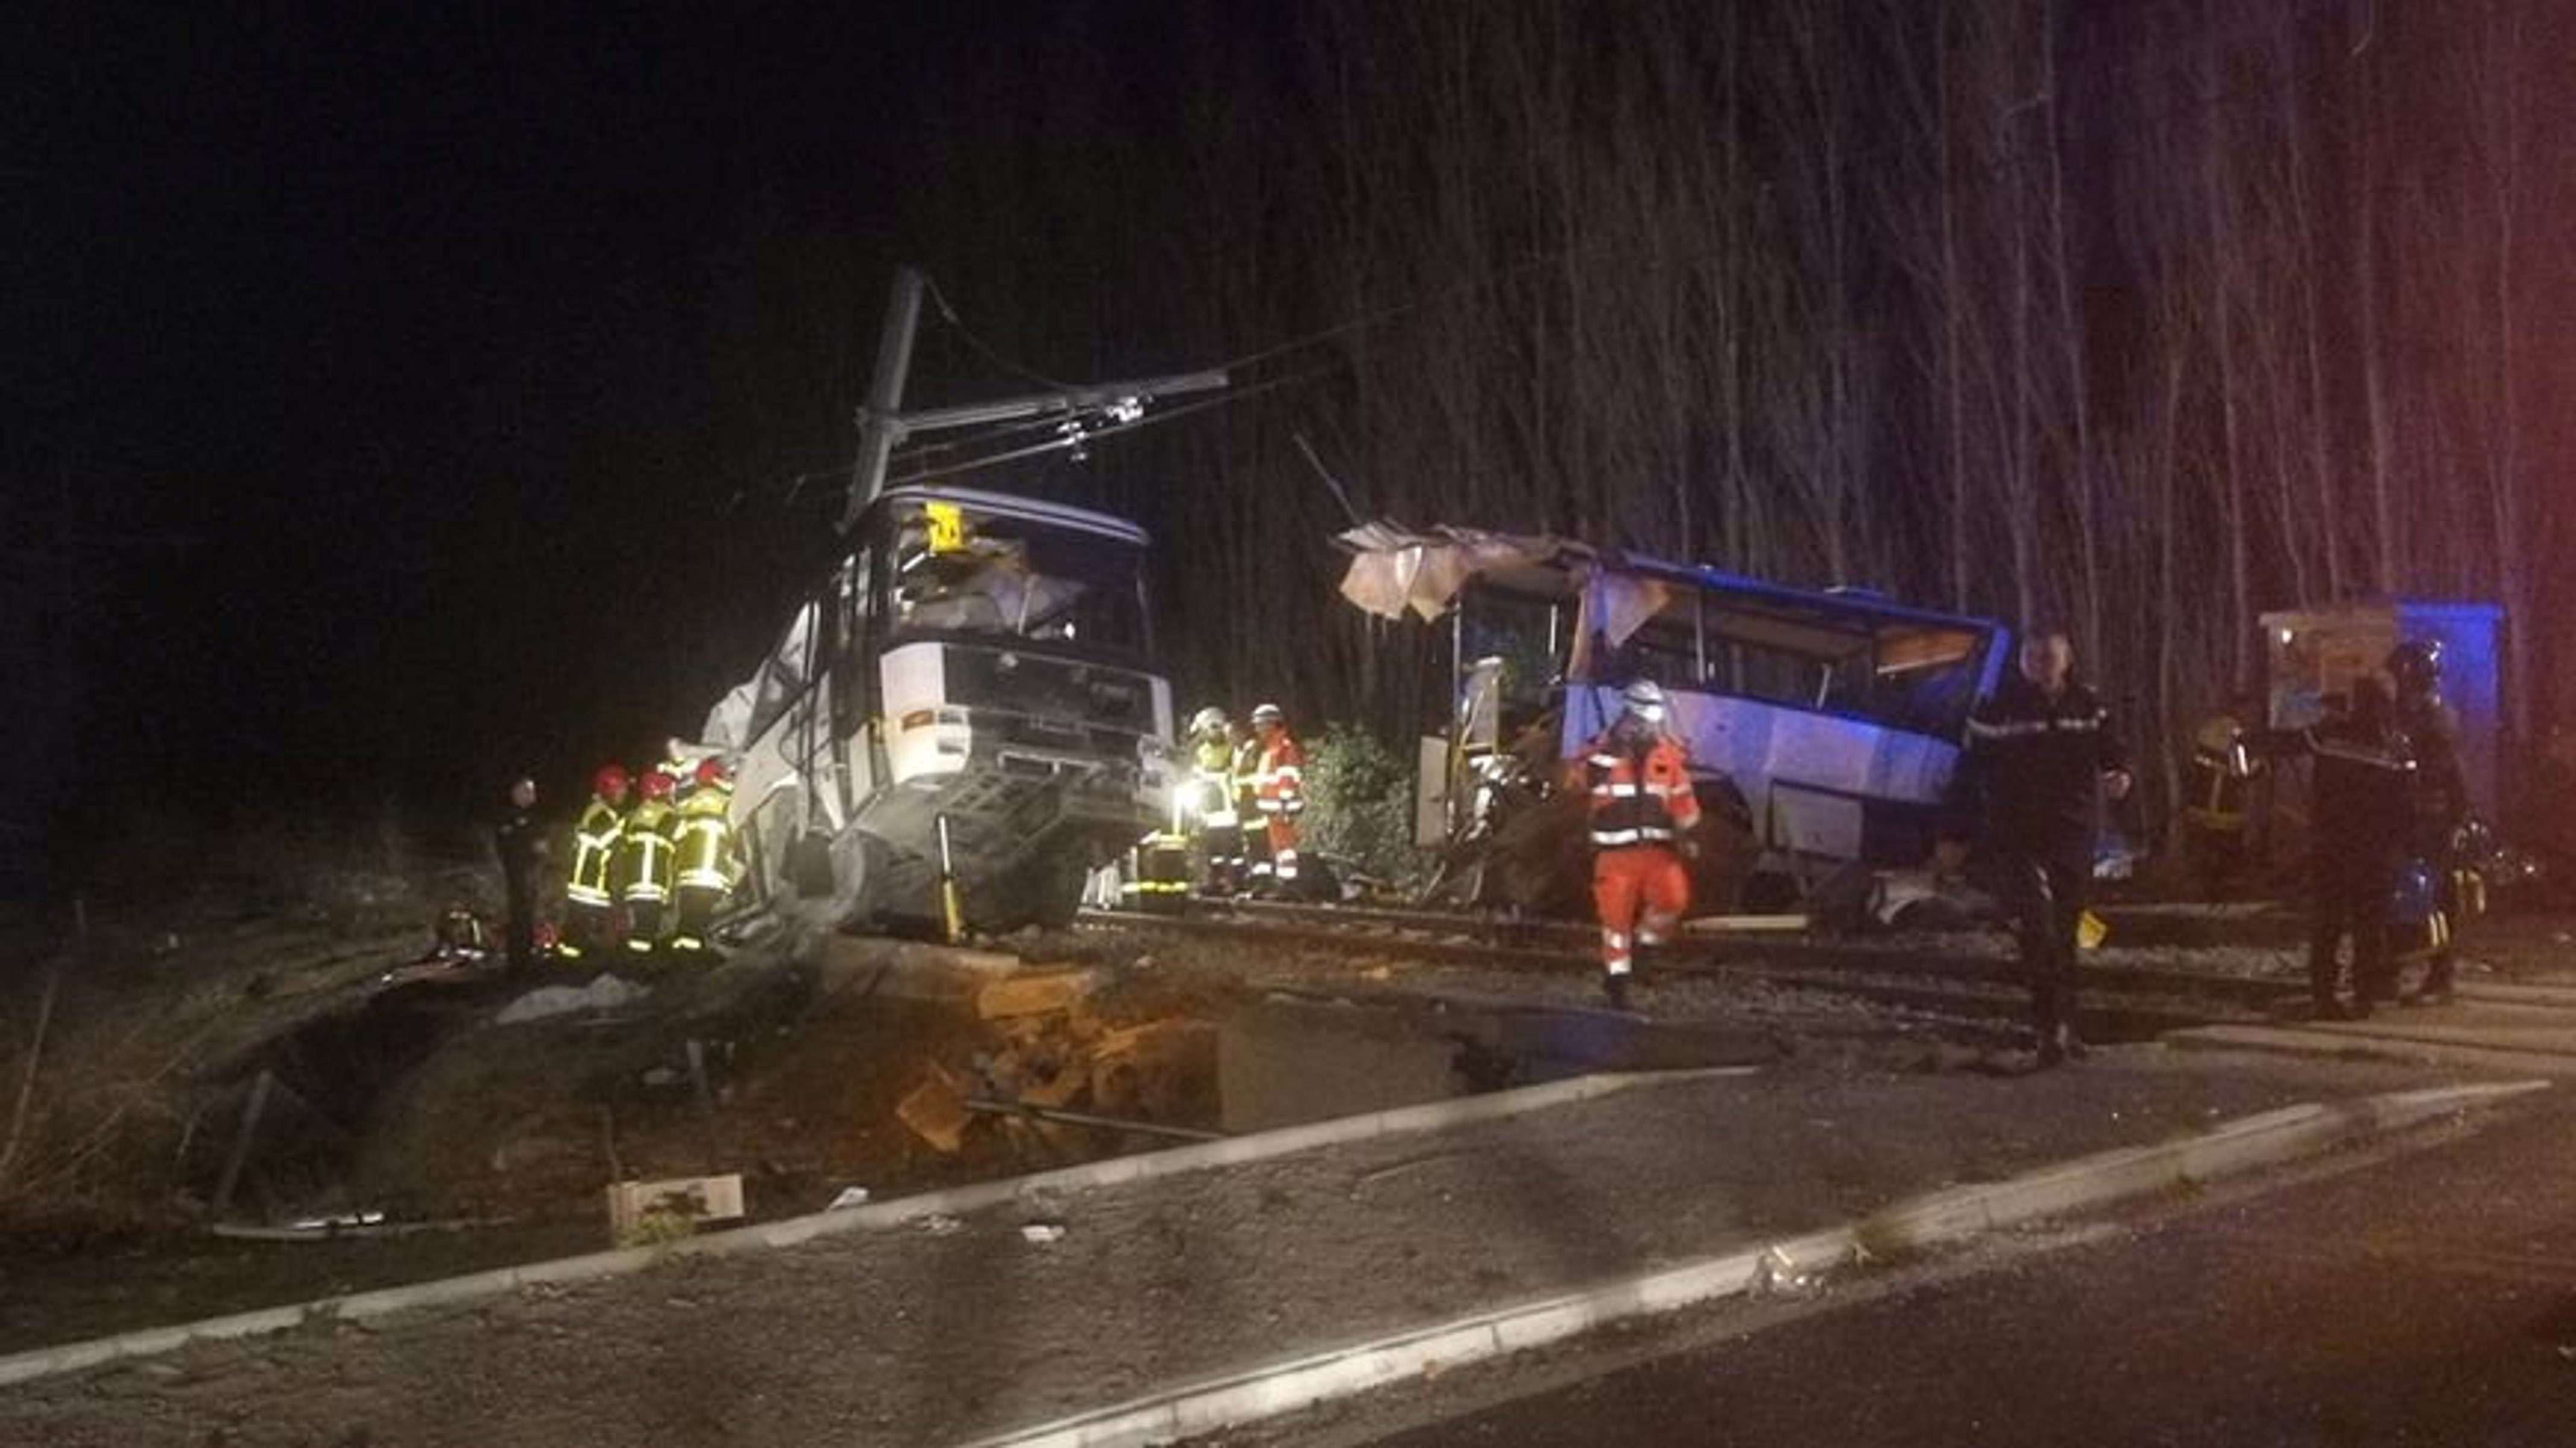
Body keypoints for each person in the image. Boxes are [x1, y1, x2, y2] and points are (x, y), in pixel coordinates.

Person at [1949, 629, 2132, 1067]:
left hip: (2073, 830)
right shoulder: (1998, 707)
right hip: (2017, 833)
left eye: (2050, 656)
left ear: (2067, 659)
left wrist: (2120, 775)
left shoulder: (2088, 705)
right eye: (2033, 657)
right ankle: (2047, 1026)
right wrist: (1953, 833)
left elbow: (2112, 753)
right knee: (2038, 926)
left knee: (2069, 931)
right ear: (2022, 662)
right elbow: (1969, 770)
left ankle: (2066, 1027)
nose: (2042, 664)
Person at [1575, 679, 1702, 1010]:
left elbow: (1682, 799)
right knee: (1615, 924)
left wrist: (1690, 835)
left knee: (1673, 900)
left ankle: (1644, 950)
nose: (1651, 724)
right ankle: (1617, 983)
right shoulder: (1604, 750)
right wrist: (1612, 751)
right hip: (1615, 856)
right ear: (1629, 714)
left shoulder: (1668, 755)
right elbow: (1580, 780)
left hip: (1658, 851)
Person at [2301, 678, 2416, 1018]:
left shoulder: (2331, 739)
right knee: (2369, 925)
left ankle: (2324, 995)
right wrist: (2406, 845)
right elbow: (2406, 803)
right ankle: (2364, 994)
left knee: (2328, 924)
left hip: (2331, 846)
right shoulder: (2394, 746)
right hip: (2373, 850)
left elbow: (2316, 783)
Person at [2388, 639, 2472, 1003]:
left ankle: (2433, 972)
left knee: (2425, 895)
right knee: (2431, 895)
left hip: (2423, 820)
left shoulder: (2423, 719)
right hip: (2431, 817)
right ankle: (2433, 971)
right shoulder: (2438, 713)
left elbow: (2428, 771)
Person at [671, 757, 743, 953]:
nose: (729, 778)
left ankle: (679, 959)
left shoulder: (689, 803)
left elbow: (677, 835)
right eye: (725, 775)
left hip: (688, 874)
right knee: (702, 919)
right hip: (710, 874)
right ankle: (695, 960)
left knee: (687, 919)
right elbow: (737, 829)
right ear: (717, 777)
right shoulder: (725, 800)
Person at [561, 765, 631, 960]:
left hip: (589, 878)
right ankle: (572, 968)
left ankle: (570, 962)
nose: (625, 793)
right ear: (610, 788)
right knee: (585, 924)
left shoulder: (600, 812)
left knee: (579, 925)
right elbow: (604, 840)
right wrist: (624, 829)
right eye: (622, 788)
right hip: (589, 880)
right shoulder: (601, 814)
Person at [614, 770, 680, 954]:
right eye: (670, 790)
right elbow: (685, 837)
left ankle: (635, 963)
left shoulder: (636, 814)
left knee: (641, 925)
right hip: (651, 881)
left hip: (635, 882)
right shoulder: (666, 813)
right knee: (647, 928)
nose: (672, 795)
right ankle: (639, 967)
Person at [1249, 703, 1307, 896]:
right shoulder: (1271, 748)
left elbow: (1287, 779)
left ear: (1271, 724)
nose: (1257, 729)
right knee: (1276, 847)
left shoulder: (1284, 748)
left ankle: (1288, 885)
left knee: (1285, 848)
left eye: (1260, 725)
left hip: (1281, 809)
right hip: (1271, 809)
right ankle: (1279, 884)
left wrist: (1284, 806)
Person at [493, 776, 549, 972]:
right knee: (520, 916)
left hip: (531, 872)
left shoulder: (535, 818)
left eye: (532, 791)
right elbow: (506, 844)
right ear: (515, 793)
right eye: (526, 790)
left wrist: (539, 853)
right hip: (518, 872)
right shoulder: (508, 816)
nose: (530, 794)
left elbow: (542, 845)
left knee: (528, 915)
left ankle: (525, 957)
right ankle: (517, 962)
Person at [1186, 707, 1243, 896]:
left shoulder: (1231, 749)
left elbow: (1231, 772)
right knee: (1213, 847)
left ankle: (1238, 882)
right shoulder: (1202, 751)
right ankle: (1216, 881)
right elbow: (1196, 774)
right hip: (1209, 805)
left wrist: (1210, 776)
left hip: (1228, 804)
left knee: (1233, 847)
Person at [1231, 718, 1270, 893]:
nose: (1230, 738)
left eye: (1232, 734)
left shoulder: (1252, 749)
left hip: (1255, 805)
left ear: (1240, 733)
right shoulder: (1238, 752)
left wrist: (1239, 781)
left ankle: (1263, 883)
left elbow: (1251, 776)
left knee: (1259, 845)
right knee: (1251, 846)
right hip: (1245, 806)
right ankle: (1255, 881)